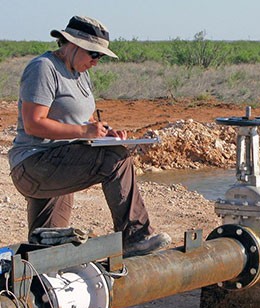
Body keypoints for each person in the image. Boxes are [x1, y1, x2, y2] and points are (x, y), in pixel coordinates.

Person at [8, 15, 171, 257]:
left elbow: (78, 119)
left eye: (101, 56)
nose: (96, 61)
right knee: (116, 158)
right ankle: (134, 236)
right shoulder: (43, 68)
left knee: (46, 247)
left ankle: (32, 284)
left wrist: (104, 132)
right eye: (93, 54)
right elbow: (34, 124)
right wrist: (85, 132)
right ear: (73, 44)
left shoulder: (80, 73)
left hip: (62, 162)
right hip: (35, 165)